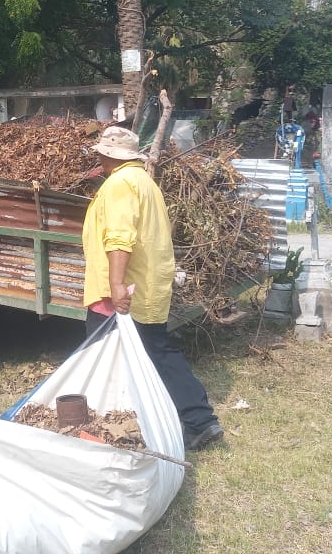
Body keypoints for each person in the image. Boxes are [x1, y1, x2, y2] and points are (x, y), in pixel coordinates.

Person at [81, 125, 224, 451]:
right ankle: (198, 419)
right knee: (158, 352)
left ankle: (105, 428)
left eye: (102, 153)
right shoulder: (145, 181)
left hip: (119, 293)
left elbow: (120, 238)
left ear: (108, 155)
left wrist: (116, 285)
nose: (100, 158)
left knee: (101, 359)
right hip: (146, 287)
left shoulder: (120, 184)